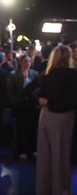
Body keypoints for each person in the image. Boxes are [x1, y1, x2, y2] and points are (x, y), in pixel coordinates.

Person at [36, 45, 77, 195]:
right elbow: (71, 102)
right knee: (60, 157)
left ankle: (43, 189)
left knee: (44, 157)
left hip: (45, 116)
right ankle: (60, 191)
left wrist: (44, 101)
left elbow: (30, 91)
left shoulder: (47, 75)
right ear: (69, 57)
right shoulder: (73, 75)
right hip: (63, 117)